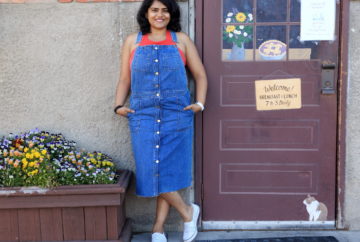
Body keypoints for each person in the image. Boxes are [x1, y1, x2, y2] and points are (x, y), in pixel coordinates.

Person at [114, 0, 207, 241]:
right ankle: (188, 212)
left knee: (167, 171)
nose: (160, 14)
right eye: (154, 9)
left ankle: (158, 227)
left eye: (165, 10)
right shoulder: (133, 41)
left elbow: (200, 75)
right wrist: (118, 105)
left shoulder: (181, 40)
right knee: (150, 170)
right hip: (142, 114)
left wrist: (199, 103)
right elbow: (125, 78)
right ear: (146, 13)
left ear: (171, 14)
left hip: (176, 114)